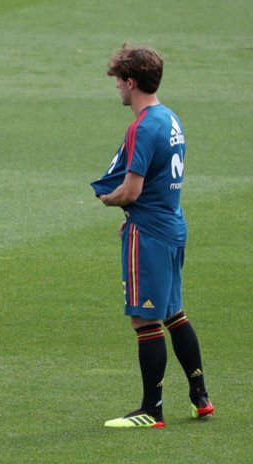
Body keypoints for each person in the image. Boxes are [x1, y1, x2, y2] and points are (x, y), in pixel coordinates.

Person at [92, 44, 214, 428]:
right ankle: (200, 397)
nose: (116, 87)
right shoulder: (170, 117)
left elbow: (131, 190)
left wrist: (111, 200)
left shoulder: (142, 127)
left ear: (131, 82)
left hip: (149, 233)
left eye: (118, 80)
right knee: (173, 313)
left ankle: (151, 409)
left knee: (144, 320)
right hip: (172, 225)